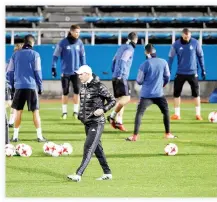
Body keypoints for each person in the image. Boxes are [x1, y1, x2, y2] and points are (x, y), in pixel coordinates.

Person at [67, 65, 116, 182]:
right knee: (98, 149)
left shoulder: (99, 86)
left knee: (88, 147)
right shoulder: (83, 87)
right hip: (88, 124)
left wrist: (103, 109)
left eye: (81, 74)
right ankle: (107, 173)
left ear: (88, 74)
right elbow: (84, 104)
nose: (78, 76)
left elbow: (112, 100)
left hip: (97, 123)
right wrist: (80, 115)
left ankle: (78, 174)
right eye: (78, 74)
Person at [126, 44, 176, 141]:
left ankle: (135, 136)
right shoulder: (163, 62)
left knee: (139, 113)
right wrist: (163, 84)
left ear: (146, 52)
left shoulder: (144, 64)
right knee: (166, 112)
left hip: (146, 95)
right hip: (159, 94)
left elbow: (139, 81)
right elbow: (167, 77)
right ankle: (168, 133)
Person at [7, 34, 47, 142]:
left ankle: (15, 137)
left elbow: (9, 72)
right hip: (31, 86)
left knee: (18, 111)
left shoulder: (15, 55)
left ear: (24, 42)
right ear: (32, 43)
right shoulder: (35, 54)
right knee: (35, 112)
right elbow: (38, 72)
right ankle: (39, 136)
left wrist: (11, 85)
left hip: (18, 86)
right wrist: (40, 86)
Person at [168, 28, 206, 120]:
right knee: (176, 94)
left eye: (189, 36)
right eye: (185, 37)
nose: (187, 38)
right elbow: (170, 58)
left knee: (196, 94)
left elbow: (201, 56)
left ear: (190, 35)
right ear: (182, 35)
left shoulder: (195, 43)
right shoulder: (176, 44)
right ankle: (177, 114)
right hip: (180, 72)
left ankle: (198, 114)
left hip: (193, 72)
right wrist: (168, 70)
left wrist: (203, 69)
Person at [52, 24, 86, 120]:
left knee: (77, 91)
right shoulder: (62, 43)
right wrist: (53, 67)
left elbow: (82, 57)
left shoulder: (80, 43)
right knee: (65, 92)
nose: (78, 34)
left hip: (77, 72)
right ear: (71, 32)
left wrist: (84, 68)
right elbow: (55, 56)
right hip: (65, 72)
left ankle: (76, 112)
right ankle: (64, 112)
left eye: (79, 32)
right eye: (76, 32)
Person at [107, 32, 138, 131]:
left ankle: (119, 122)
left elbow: (114, 60)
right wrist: (120, 74)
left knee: (121, 100)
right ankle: (112, 116)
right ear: (135, 40)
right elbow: (123, 61)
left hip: (115, 75)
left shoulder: (121, 47)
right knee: (126, 99)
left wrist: (114, 72)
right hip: (121, 76)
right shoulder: (130, 48)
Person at [6, 43, 24, 128]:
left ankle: (10, 121)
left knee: (13, 103)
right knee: (12, 104)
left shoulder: (11, 59)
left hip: (11, 84)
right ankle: (10, 121)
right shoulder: (16, 60)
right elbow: (9, 73)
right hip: (13, 84)